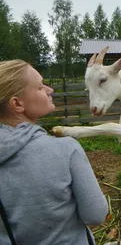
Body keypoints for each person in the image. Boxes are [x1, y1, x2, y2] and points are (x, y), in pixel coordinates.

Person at [0, 60, 108, 245]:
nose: (50, 90)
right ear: (17, 104)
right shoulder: (66, 149)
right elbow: (96, 215)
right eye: (41, 87)